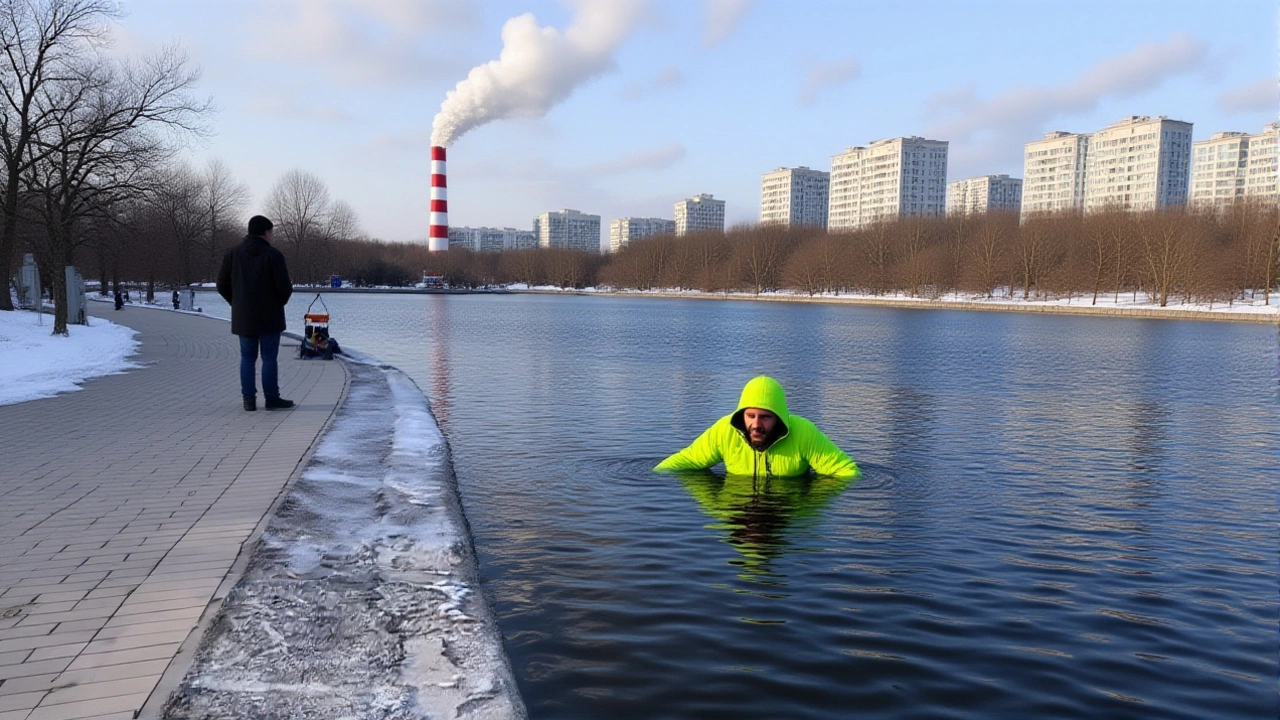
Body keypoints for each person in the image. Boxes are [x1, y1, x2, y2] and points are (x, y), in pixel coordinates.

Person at [655, 376, 858, 479]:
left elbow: (845, 470)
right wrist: (650, 479)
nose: (756, 425)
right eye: (750, 416)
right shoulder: (726, 430)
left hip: (786, 509)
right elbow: (688, 459)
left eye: (765, 417)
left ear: (779, 417)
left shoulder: (803, 432)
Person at [217, 215, 295, 412]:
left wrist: (236, 303)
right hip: (270, 317)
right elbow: (285, 288)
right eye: (271, 233)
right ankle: (271, 398)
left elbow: (221, 284)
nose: (272, 237)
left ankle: (249, 400)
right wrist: (278, 303)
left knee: (247, 358)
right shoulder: (274, 256)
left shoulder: (232, 254)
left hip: (244, 316)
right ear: (266, 232)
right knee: (269, 358)